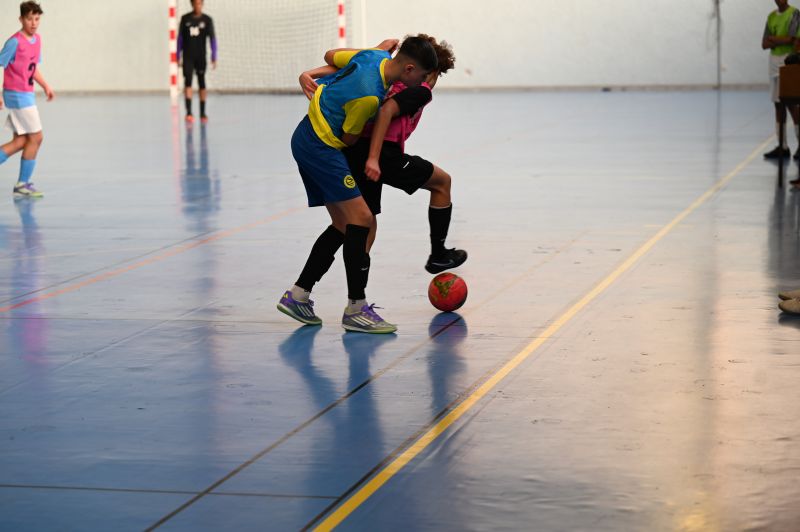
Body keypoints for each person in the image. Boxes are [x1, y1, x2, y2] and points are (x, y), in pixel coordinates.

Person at [277, 36, 438, 334]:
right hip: (321, 147)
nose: (421, 84)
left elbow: (331, 56)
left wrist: (310, 75)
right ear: (409, 69)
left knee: (343, 224)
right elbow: (350, 138)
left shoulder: (373, 57)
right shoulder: (369, 98)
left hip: (305, 135)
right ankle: (356, 309)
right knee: (362, 218)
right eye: (421, 77)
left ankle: (298, 295)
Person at [345, 35, 466, 274]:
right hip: (383, 154)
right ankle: (438, 255)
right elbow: (387, 111)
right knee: (442, 182)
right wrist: (374, 158)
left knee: (366, 221)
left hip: (356, 149)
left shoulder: (390, 79)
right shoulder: (420, 90)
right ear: (431, 73)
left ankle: (356, 286)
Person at [0, 1, 54, 199]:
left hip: (27, 93)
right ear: (21, 19)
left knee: (21, 141)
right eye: (29, 19)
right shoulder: (14, 42)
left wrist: (45, 85)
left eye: (37, 19)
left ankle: (22, 184)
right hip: (17, 95)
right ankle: (22, 184)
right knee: (37, 138)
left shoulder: (37, 40)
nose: (33, 23)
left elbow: (33, 68)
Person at [763, 0, 800, 159]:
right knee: (778, 105)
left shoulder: (794, 14)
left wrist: (774, 39)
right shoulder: (771, 17)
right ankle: (782, 146)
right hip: (773, 63)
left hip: (788, 61)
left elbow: (793, 39)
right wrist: (780, 39)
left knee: (792, 104)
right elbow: (764, 43)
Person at [177, 0, 216, 124]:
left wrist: (214, 55)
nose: (197, 6)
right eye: (195, 3)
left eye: (199, 3)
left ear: (202, 4)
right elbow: (180, 39)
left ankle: (203, 112)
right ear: (192, 4)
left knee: (201, 83)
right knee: (188, 82)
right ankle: (189, 112)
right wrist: (178, 55)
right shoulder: (185, 19)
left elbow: (212, 39)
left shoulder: (207, 20)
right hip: (188, 57)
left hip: (200, 57)